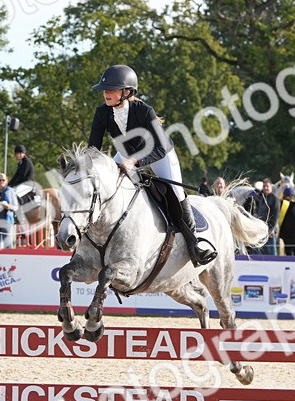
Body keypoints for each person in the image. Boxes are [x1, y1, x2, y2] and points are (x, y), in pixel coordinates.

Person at [87, 64, 215, 265]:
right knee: (106, 185)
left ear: (127, 92)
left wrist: (135, 161)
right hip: (127, 154)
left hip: (159, 154)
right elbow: (93, 147)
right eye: (105, 90)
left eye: (111, 89)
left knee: (177, 193)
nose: (106, 93)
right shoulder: (102, 112)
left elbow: (160, 148)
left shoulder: (145, 111)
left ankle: (195, 246)